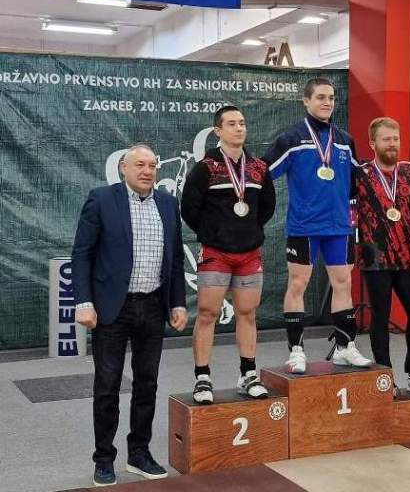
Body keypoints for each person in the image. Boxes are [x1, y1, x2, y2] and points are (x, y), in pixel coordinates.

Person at [72, 144, 188, 487]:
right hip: (111, 308)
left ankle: (139, 454)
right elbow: (82, 254)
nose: (147, 171)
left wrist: (178, 303)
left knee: (147, 383)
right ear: (123, 168)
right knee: (107, 386)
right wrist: (83, 301)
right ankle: (103, 459)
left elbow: (175, 258)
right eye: (140, 165)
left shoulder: (167, 203)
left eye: (152, 165)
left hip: (153, 307)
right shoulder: (101, 199)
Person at [263, 77, 371, 373]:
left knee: (343, 283)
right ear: (306, 101)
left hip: (339, 226)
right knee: (298, 284)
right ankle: (296, 350)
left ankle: (344, 347)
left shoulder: (345, 140)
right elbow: (263, 173)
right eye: (321, 97)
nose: (327, 102)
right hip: (304, 226)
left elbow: (357, 181)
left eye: (331, 98)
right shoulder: (292, 138)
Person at [181, 105, 276, 404]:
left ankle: (248, 374)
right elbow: (189, 209)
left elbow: (267, 207)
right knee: (207, 313)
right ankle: (202, 378)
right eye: (232, 124)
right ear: (218, 131)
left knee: (247, 313)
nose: (239, 128)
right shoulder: (205, 168)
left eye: (242, 123)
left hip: (249, 254)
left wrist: (248, 231)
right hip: (216, 253)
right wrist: (213, 233)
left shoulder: (259, 168)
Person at [355, 117, 410, 396]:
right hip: (375, 258)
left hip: (407, 258)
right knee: (380, 316)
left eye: (396, 139)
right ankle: (384, 376)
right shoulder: (359, 175)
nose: (393, 144)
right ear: (373, 143)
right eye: (386, 139)